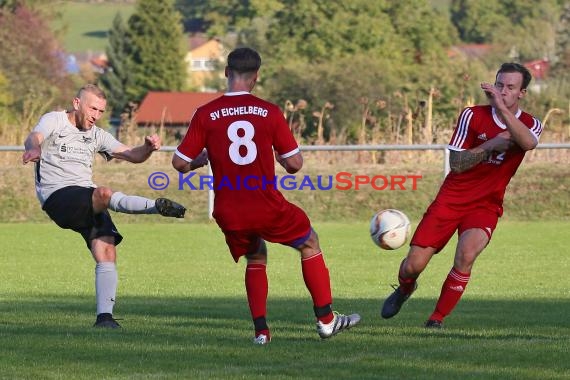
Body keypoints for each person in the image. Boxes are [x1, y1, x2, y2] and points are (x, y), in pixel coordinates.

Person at [172, 47, 360, 344]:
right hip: (265, 205)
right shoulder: (270, 112)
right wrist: (280, 158)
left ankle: (261, 332)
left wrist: (203, 158)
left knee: (256, 255)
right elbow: (295, 164)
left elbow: (180, 163)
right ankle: (326, 320)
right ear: (256, 77)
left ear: (226, 73)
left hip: (229, 210)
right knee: (310, 242)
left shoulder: (205, 113)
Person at [381, 63, 543, 328]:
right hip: (451, 199)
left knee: (466, 254)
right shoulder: (472, 115)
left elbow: (528, 143)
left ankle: (436, 319)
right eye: (499, 84)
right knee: (412, 266)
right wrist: (491, 144)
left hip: (486, 204)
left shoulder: (530, 124)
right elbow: (456, 163)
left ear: (522, 93)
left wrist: (502, 110)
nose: (502, 91)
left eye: (510, 87)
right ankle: (405, 288)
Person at [22, 84, 187, 328]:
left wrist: (148, 149)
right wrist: (34, 148)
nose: (96, 115)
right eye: (92, 108)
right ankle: (154, 206)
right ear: (77, 103)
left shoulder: (97, 134)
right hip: (57, 196)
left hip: (85, 197)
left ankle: (105, 318)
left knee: (106, 250)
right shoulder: (54, 120)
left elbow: (132, 155)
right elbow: (34, 136)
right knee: (103, 193)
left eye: (101, 111)